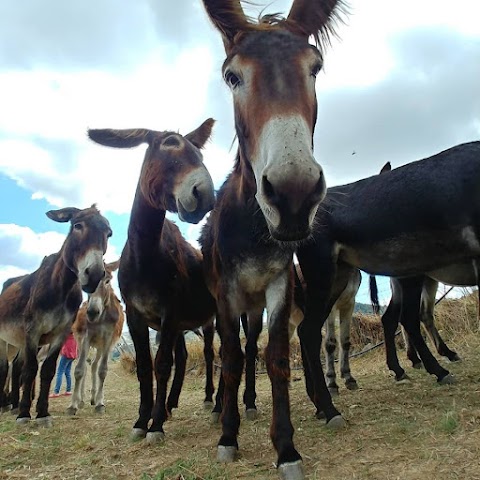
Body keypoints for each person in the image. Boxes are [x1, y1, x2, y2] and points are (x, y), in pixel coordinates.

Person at [49, 332, 77, 398]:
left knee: (59, 372)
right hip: (73, 355)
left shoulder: (66, 333)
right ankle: (68, 390)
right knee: (67, 372)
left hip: (66, 354)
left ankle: (56, 392)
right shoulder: (75, 333)